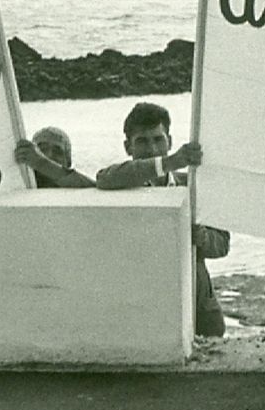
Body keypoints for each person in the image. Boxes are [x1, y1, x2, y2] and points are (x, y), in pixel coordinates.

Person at [95, 101, 229, 337]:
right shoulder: (123, 185)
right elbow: (104, 178)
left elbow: (223, 244)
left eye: (158, 139)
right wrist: (169, 162)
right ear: (128, 147)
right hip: (146, 306)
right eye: (142, 141)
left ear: (170, 141)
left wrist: (202, 238)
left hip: (197, 307)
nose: (152, 148)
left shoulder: (192, 186)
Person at [14, 126, 95, 188]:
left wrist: (41, 163)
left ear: (68, 162)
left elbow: (93, 188)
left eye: (57, 152)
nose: (49, 155)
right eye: (42, 150)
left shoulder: (81, 189)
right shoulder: (20, 185)